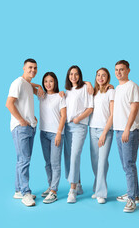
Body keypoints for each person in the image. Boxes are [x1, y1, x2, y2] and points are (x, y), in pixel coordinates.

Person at [6, 58, 38, 207]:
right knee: (24, 160)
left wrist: (31, 117)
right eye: (30, 67)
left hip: (30, 126)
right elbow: (9, 103)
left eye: (35, 68)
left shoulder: (27, 84)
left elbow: (31, 87)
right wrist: (22, 120)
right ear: (24, 68)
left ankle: (18, 190)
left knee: (22, 160)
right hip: (21, 128)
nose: (33, 70)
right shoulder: (18, 83)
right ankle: (26, 193)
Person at [32, 72, 66, 204]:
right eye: (45, 81)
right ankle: (50, 185)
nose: (48, 84)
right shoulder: (41, 95)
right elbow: (27, 84)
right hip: (43, 133)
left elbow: (63, 116)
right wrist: (38, 86)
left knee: (55, 162)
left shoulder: (60, 96)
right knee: (47, 162)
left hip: (56, 133)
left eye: (51, 81)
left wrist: (58, 133)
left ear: (55, 82)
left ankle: (54, 191)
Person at [113, 60, 139, 213]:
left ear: (128, 70)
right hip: (118, 130)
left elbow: (134, 108)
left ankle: (131, 199)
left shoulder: (133, 86)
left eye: (121, 69)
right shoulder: (117, 88)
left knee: (129, 164)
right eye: (116, 70)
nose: (118, 72)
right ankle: (134, 195)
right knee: (127, 165)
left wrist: (127, 129)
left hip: (129, 131)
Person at [64, 65, 93, 203]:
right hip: (67, 126)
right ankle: (79, 185)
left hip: (79, 126)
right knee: (70, 157)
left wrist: (79, 118)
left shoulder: (85, 88)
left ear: (80, 75)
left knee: (75, 155)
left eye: (76, 74)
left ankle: (72, 190)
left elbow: (90, 108)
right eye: (71, 74)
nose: (73, 76)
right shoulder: (67, 91)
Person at [89, 68, 115, 204]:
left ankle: (101, 193)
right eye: (98, 75)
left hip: (105, 130)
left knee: (102, 161)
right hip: (92, 129)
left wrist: (105, 132)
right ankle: (97, 187)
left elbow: (112, 114)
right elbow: (84, 84)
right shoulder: (93, 92)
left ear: (108, 78)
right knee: (95, 161)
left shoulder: (111, 91)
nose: (100, 77)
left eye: (103, 75)